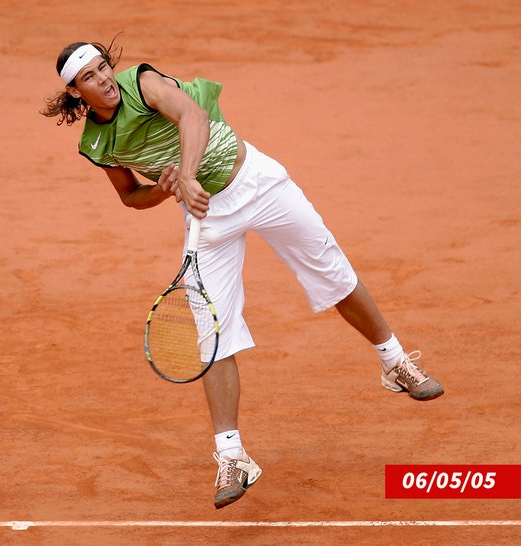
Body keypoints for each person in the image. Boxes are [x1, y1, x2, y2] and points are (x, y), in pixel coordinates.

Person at [41, 37, 444, 509]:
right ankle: (232, 456)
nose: (103, 79)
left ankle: (395, 363)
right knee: (215, 334)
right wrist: (164, 189)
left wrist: (186, 177)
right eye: (88, 77)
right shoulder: (96, 144)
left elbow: (192, 116)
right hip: (207, 220)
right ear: (75, 93)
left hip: (257, 182)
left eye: (103, 67)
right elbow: (131, 195)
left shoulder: (143, 82)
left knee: (334, 275)